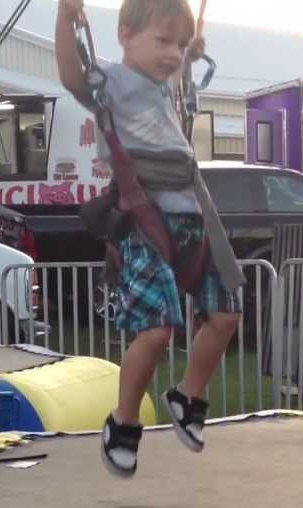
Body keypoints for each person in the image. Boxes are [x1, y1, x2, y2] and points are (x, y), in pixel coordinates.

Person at [55, 0, 244, 476]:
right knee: (157, 329)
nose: (173, 54)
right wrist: (65, 18)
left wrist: (187, 43)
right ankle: (122, 423)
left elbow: (180, 54)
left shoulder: (168, 87)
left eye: (179, 46)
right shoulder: (111, 82)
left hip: (190, 218)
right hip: (144, 218)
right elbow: (71, 75)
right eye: (162, 42)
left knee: (225, 314)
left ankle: (187, 395)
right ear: (124, 34)